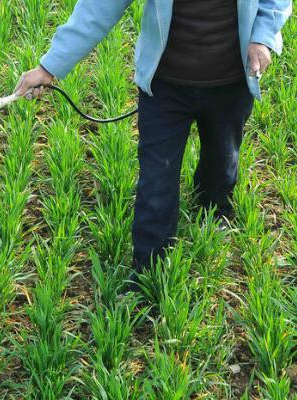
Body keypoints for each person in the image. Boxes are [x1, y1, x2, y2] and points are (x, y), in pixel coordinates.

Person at [15, 0, 292, 275]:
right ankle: (148, 270)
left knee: (222, 158)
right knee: (156, 179)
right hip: (165, 86)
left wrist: (262, 37)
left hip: (231, 83)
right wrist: (49, 67)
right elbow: (98, 8)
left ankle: (214, 207)